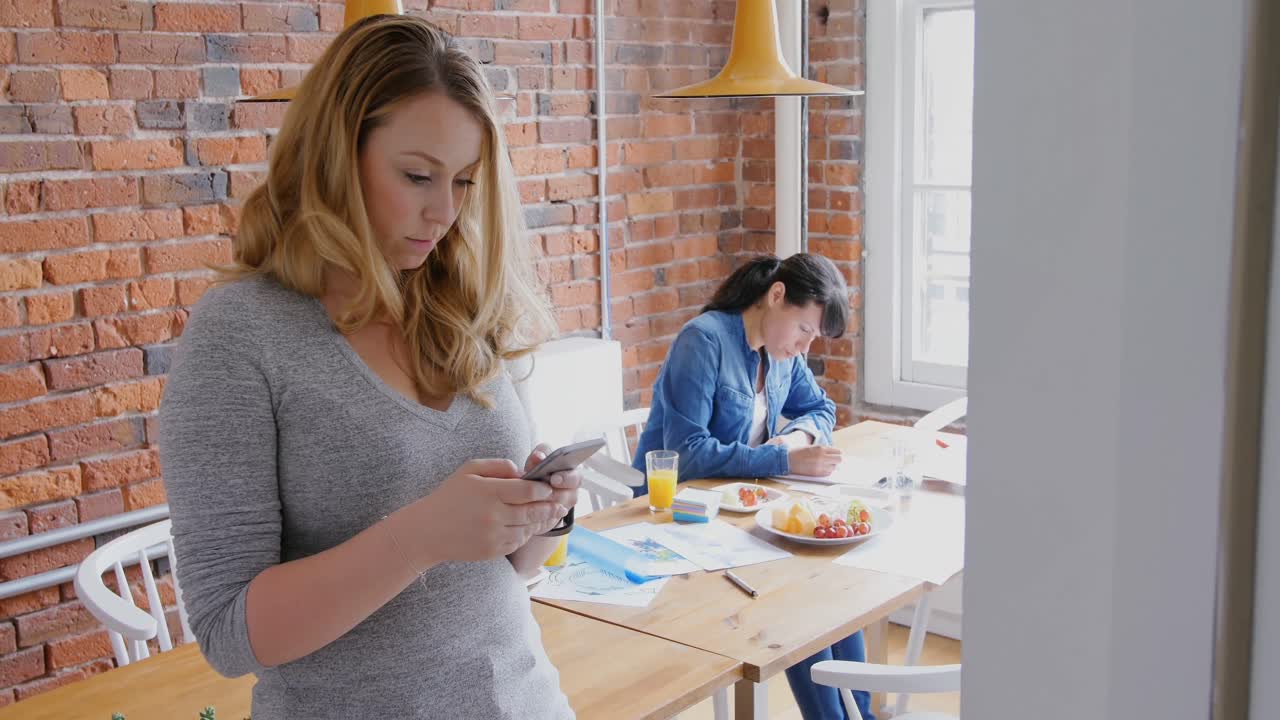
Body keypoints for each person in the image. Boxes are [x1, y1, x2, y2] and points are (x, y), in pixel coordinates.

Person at [158, 16, 577, 719]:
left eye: (465, 182)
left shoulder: (455, 307)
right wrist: (418, 537)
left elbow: (502, 577)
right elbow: (229, 634)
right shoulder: (240, 335)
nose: (444, 211)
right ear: (334, 157)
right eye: (417, 175)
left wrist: (535, 519)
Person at [631, 252, 874, 720]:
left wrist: (797, 436)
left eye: (813, 337)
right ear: (777, 295)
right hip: (673, 517)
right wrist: (781, 456)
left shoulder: (781, 356)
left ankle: (857, 716)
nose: (805, 347)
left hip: (737, 514)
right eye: (804, 330)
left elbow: (822, 409)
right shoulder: (703, 342)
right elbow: (687, 454)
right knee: (797, 600)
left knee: (830, 577)